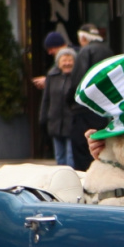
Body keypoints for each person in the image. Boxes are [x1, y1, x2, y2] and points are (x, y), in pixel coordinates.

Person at [70, 24, 111, 168]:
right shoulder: (108, 50)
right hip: (105, 107)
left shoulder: (85, 51)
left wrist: (69, 100)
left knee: (83, 150)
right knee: (100, 148)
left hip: (84, 108)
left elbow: (77, 81)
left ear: (83, 38)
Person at [40, 47, 79, 167]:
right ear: (58, 63)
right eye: (64, 60)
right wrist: (43, 117)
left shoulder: (77, 77)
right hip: (55, 122)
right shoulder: (52, 76)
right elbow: (46, 99)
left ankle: (70, 177)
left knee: (71, 157)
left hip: (72, 122)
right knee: (59, 157)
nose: (67, 63)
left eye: (70, 60)